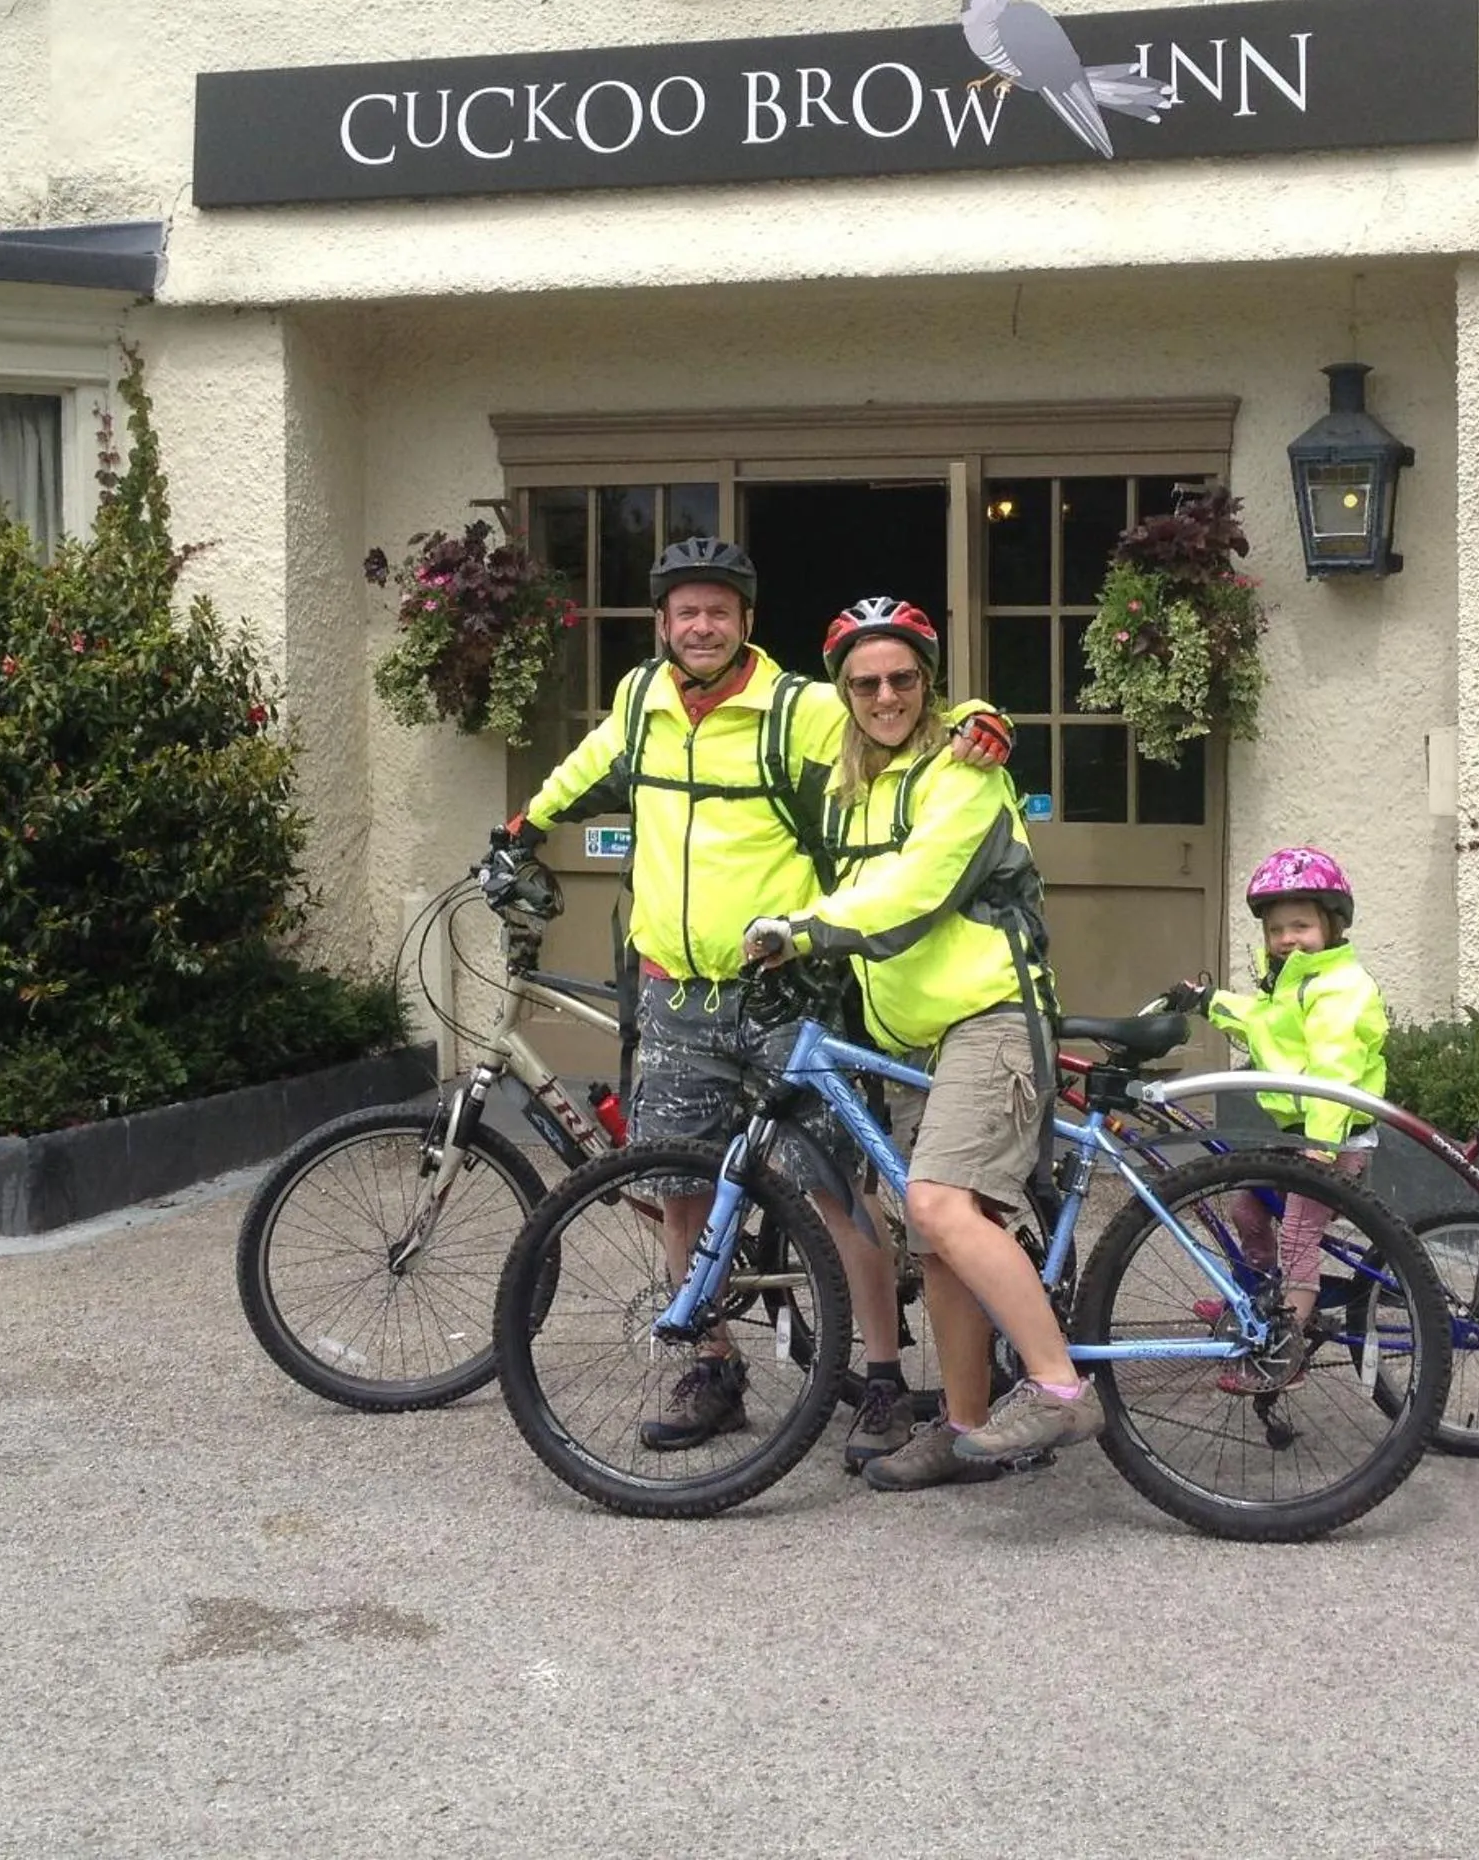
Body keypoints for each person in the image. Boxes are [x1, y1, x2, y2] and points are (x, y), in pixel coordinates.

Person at [507, 538, 1008, 1459]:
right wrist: (525, 825)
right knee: (680, 1187)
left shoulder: (803, 709)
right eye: (686, 612)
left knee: (836, 1188)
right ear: (661, 624)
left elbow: (898, 718)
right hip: (675, 992)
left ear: (747, 622)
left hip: (789, 988)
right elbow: (588, 762)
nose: (702, 627)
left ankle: (887, 1380)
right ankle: (713, 1365)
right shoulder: (638, 700)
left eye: (720, 611)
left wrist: (977, 719)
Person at [743, 596, 1103, 1491]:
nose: (885, 695)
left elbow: (917, 887)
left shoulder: (963, 770)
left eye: (903, 678)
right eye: (865, 682)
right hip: (910, 1037)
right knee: (941, 1240)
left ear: (929, 682)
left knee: (940, 1206)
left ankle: (1060, 1389)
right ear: (844, 692)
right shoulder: (849, 783)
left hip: (986, 1019)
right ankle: (963, 1424)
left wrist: (805, 928)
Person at [1162, 848, 1387, 1380]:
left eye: (1301, 925)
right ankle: (1257, 1299)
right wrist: (1206, 1000)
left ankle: (1286, 1343)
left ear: (1331, 926)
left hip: (1334, 1140)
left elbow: (1336, 1072)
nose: (1287, 938)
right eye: (1276, 929)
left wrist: (1321, 1144)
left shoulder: (1339, 989)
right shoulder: (1289, 985)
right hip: (1299, 1137)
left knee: (1298, 1237)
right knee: (1247, 1209)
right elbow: (1260, 1021)